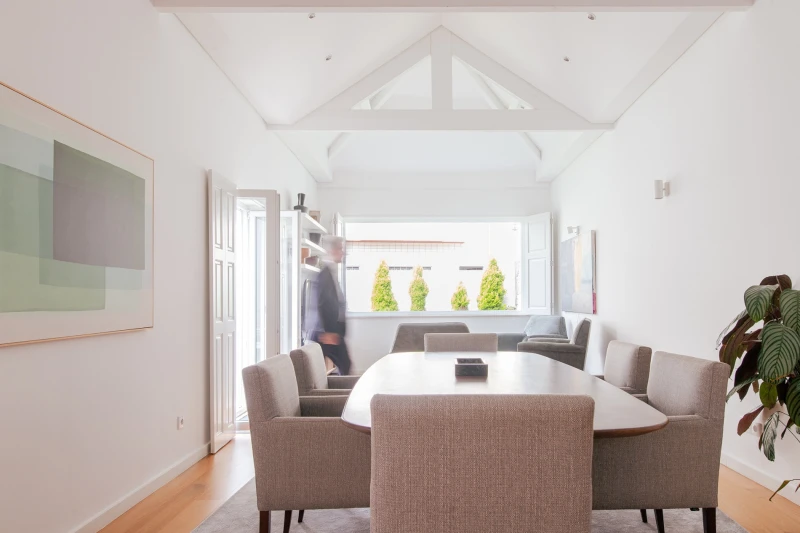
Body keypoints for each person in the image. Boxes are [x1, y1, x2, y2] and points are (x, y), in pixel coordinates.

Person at [309, 235, 351, 375]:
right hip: (328, 333)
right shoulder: (324, 275)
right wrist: (327, 332)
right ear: (332, 251)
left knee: (343, 365)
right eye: (340, 249)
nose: (343, 252)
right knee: (344, 365)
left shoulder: (331, 273)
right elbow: (321, 304)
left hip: (333, 331)